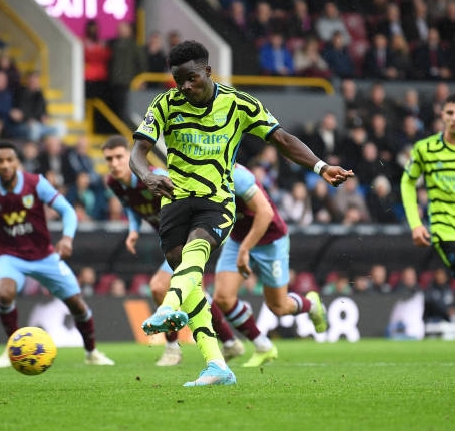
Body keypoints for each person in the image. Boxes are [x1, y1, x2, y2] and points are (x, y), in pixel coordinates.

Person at [129, 40, 353, 387]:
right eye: (178, 80)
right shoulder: (165, 105)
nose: (185, 87)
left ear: (207, 71)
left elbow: (282, 139)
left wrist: (321, 167)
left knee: (195, 256)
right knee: (193, 284)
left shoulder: (238, 103)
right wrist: (146, 176)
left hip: (216, 202)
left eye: (191, 78)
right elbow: (138, 151)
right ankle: (217, 364)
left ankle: (165, 309)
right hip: (175, 201)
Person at [0, 141, 114, 368]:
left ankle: (91, 352)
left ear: (17, 162)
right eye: (0, 161)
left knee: (77, 304)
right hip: (11, 256)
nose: (5, 165)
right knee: (4, 294)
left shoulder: (36, 183)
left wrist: (67, 238)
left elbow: (67, 210)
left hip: (44, 255)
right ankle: (12, 349)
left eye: (9, 160)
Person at [102, 135, 244, 367]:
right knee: (194, 294)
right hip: (170, 241)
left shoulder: (160, 177)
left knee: (159, 286)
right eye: (109, 159)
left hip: (189, 238)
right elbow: (130, 205)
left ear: (131, 155)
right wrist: (134, 230)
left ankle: (171, 349)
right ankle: (229, 342)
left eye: (119, 157)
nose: (114, 163)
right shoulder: (114, 183)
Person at [214, 164, 328, 368]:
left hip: (270, 239)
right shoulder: (199, 173)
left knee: (279, 306)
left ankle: (312, 305)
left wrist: (245, 249)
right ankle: (263, 345)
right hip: (238, 237)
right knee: (222, 297)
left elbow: (265, 213)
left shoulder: (237, 175)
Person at [401, 94, 455, 277]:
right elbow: (407, 182)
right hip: (445, 232)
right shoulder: (425, 148)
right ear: (442, 115)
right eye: (450, 112)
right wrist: (415, 224)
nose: (454, 118)